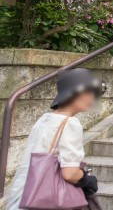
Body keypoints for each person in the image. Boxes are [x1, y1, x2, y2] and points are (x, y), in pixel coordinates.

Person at [7, 69, 105, 210]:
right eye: (89, 93)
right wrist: (88, 180)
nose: (92, 99)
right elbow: (70, 173)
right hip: (43, 200)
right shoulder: (70, 123)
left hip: (21, 195)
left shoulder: (44, 119)